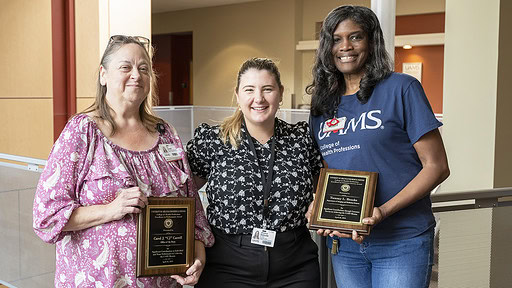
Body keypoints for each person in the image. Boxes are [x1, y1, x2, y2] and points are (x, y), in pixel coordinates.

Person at [33, 35, 214, 287]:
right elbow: (47, 217)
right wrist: (110, 209)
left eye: (144, 69)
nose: (136, 75)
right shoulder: (82, 131)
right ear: (103, 75)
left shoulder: (166, 134)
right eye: (125, 67)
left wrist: (198, 259)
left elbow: (193, 216)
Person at [306, 5, 450, 288]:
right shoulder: (322, 106)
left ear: (371, 42)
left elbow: (437, 167)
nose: (345, 46)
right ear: (327, 47)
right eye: (336, 39)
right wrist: (318, 205)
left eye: (356, 37)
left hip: (402, 240)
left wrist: (382, 211)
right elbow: (326, 169)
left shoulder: (402, 88)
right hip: (345, 244)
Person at [186, 58, 322, 288]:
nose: (258, 98)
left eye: (267, 89)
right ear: (238, 96)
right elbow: (182, 191)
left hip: (294, 265)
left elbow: (325, 185)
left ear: (280, 94)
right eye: (249, 90)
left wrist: (319, 202)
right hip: (228, 265)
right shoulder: (213, 140)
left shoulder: (302, 138)